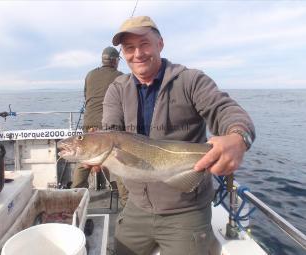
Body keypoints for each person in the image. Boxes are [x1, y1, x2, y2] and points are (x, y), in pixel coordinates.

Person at [101, 16, 255, 255]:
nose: (138, 53)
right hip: (137, 207)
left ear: (160, 44)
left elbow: (226, 110)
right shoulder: (117, 89)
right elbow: (110, 132)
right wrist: (94, 153)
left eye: (145, 44)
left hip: (186, 208)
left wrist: (238, 137)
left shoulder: (191, 80)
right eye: (129, 48)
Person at [71, 46, 125, 193]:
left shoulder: (90, 75)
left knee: (85, 159)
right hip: (109, 125)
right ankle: (124, 197)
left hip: (89, 123)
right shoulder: (121, 77)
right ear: (115, 61)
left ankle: (76, 193)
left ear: (103, 60)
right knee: (117, 160)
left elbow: (86, 95)